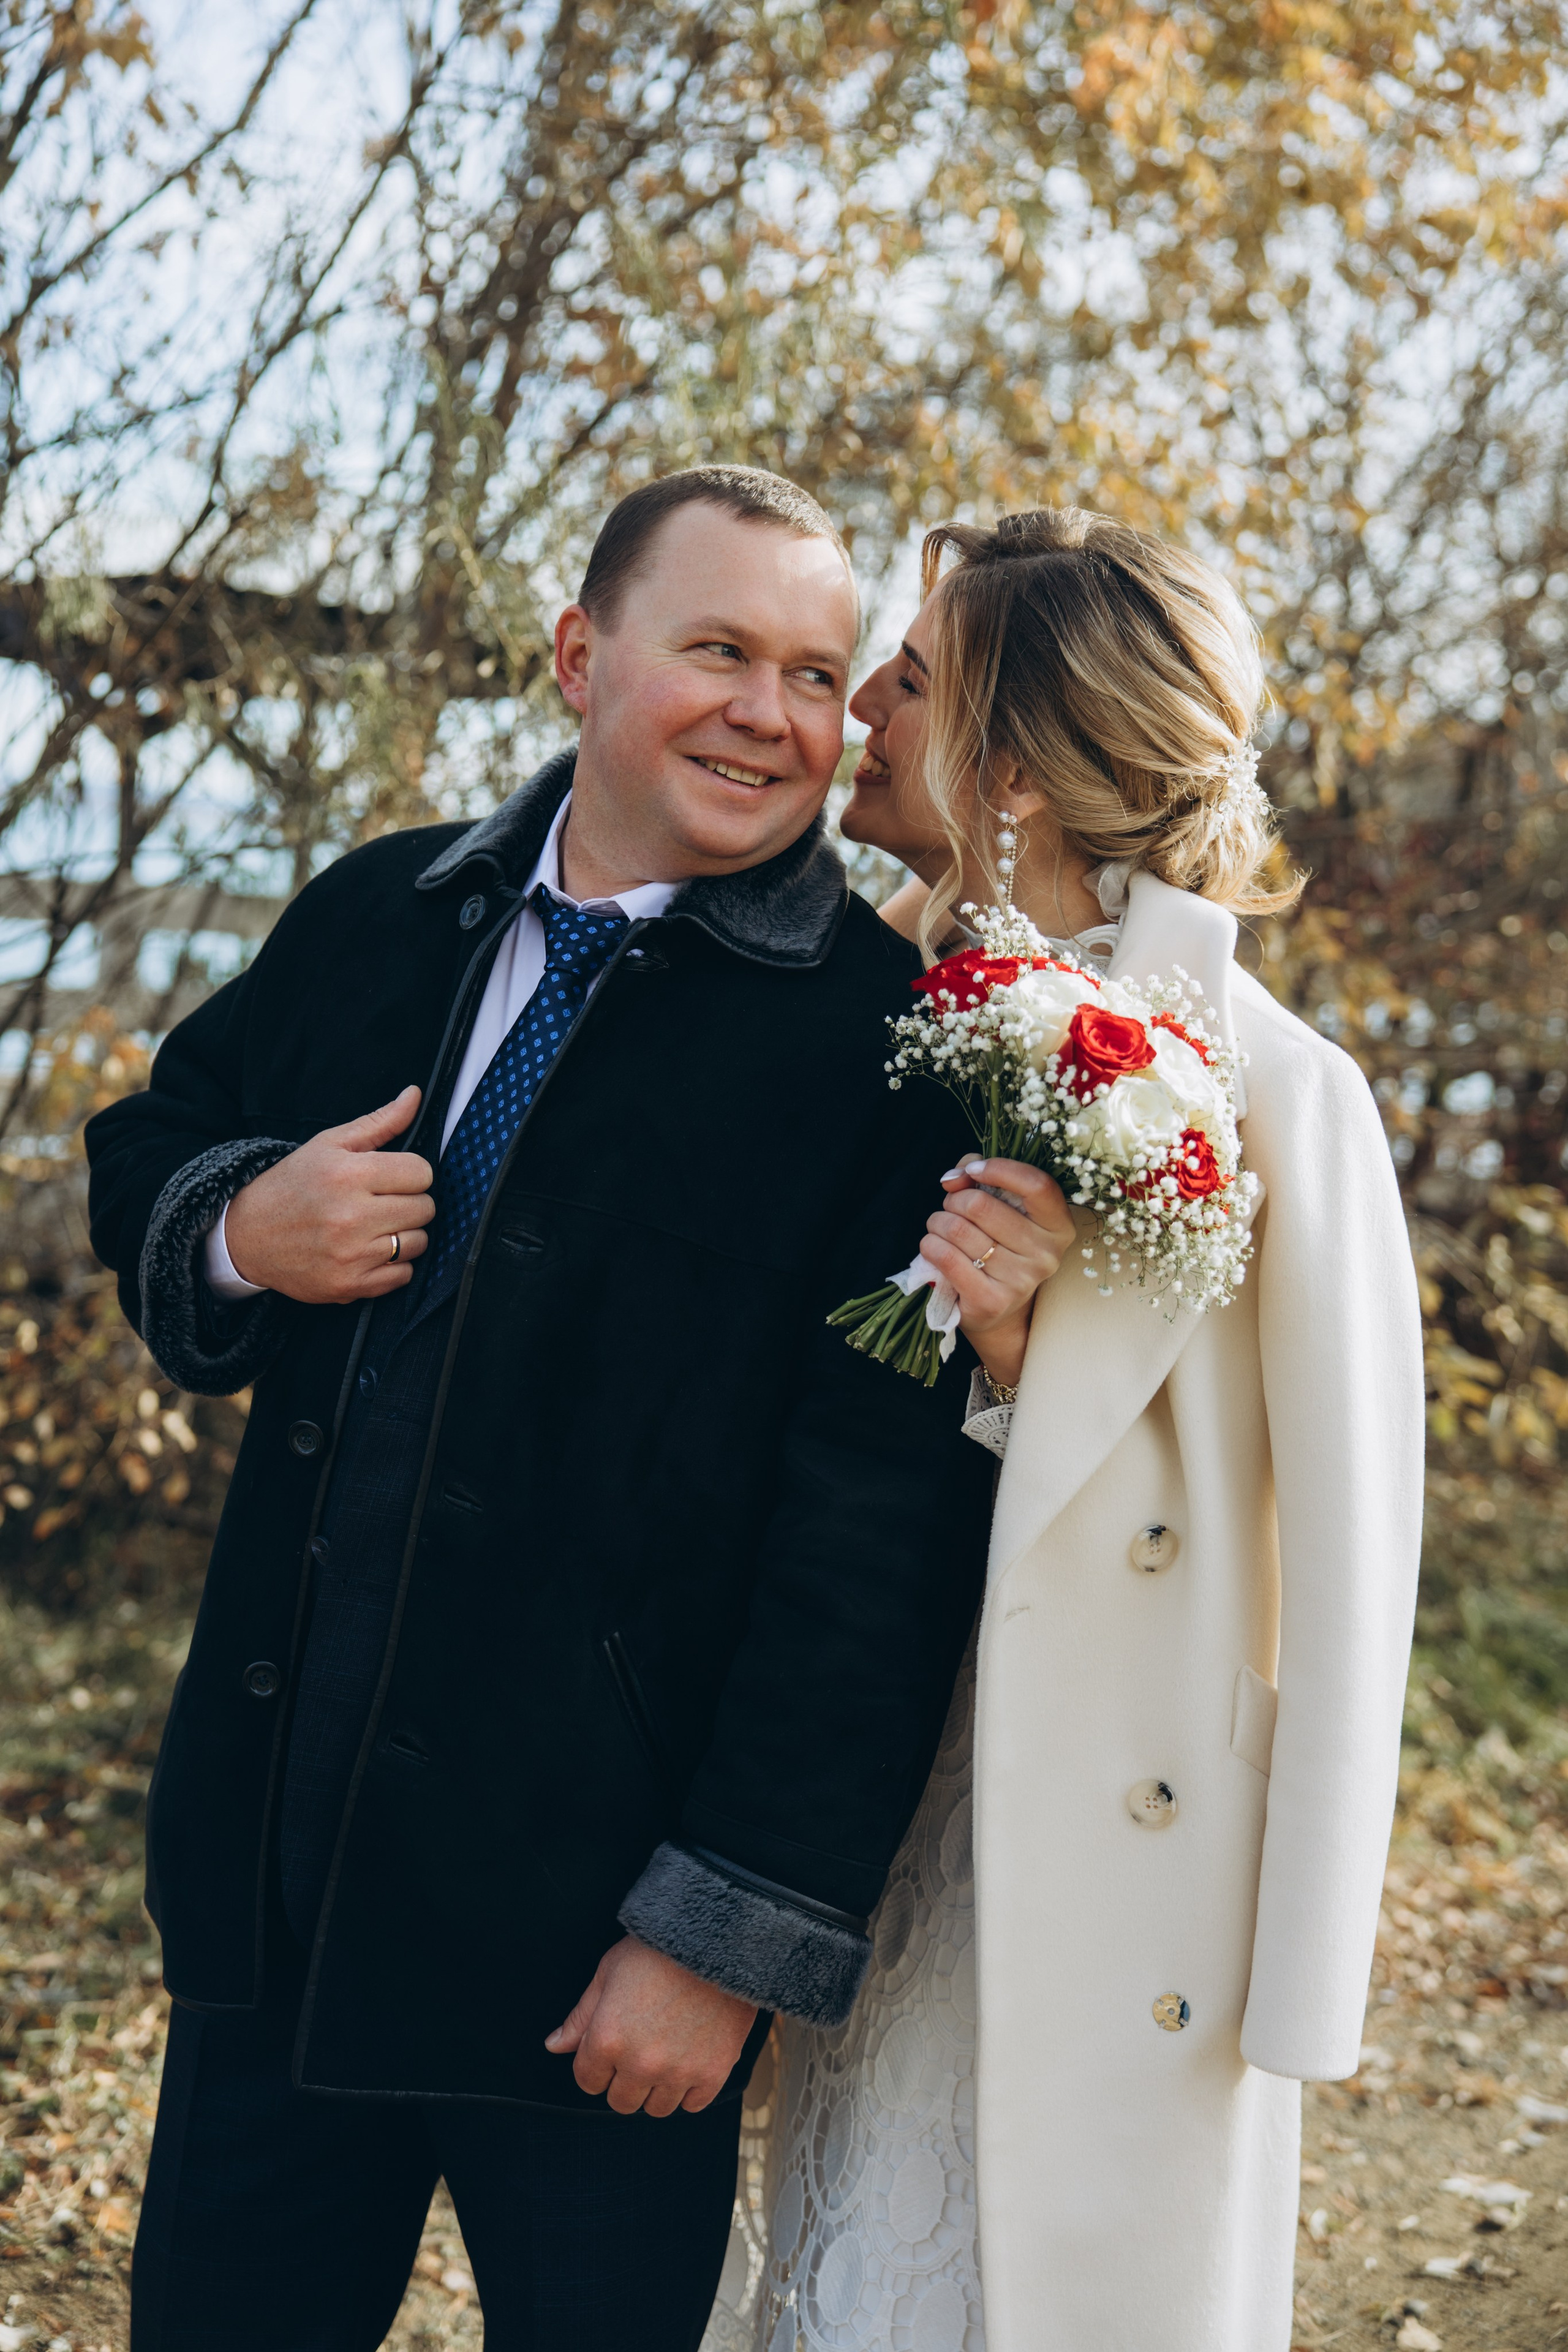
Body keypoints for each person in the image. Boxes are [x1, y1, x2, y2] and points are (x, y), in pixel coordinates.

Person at [84, 469, 1068, 2352]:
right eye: (717, 650)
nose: (771, 716)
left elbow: (875, 1542)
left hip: (602, 1959)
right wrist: (245, 1229)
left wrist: (719, 1940)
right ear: (577, 657)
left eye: (811, 670)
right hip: (275, 1896)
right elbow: (150, 1142)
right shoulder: (381, 910)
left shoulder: (888, 1054)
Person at [733, 507, 1423, 2352]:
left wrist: (1304, 1992)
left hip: (1116, 1865)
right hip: (855, 1810)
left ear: (1012, 769)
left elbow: (1354, 1570)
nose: (853, 704)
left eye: (910, 676)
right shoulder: (866, 1025)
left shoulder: (1280, 1093)